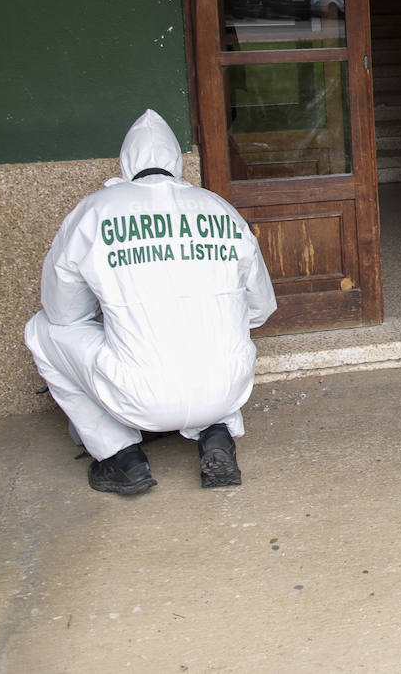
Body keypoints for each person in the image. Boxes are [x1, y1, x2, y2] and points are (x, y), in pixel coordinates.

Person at [25, 110, 277, 495]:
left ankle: (120, 458)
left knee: (41, 330)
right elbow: (259, 309)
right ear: (177, 163)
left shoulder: (95, 211)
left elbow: (63, 314)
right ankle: (217, 435)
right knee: (220, 322)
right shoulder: (220, 209)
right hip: (228, 386)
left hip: (141, 396)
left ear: (126, 164)